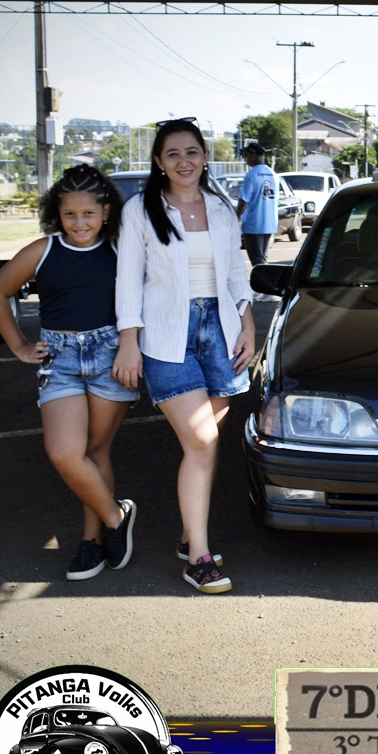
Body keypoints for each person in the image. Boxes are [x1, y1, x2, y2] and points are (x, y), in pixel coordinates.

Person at [113, 118, 254, 594]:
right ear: (158, 161)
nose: (183, 161)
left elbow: (236, 273)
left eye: (191, 151)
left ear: (205, 156)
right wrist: (129, 340)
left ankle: (189, 535)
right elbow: (127, 279)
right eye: (172, 153)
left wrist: (248, 326)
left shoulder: (220, 207)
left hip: (221, 331)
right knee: (201, 441)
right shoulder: (140, 209)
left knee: (204, 445)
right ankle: (199, 559)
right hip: (166, 336)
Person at [0, 165, 139, 581]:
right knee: (64, 452)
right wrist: (19, 346)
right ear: (57, 214)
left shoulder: (121, 249)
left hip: (110, 356)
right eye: (69, 214)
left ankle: (91, 542)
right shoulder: (43, 250)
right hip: (61, 359)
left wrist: (133, 347)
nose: (79, 223)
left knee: (95, 451)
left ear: (106, 212)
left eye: (88, 214)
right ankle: (116, 516)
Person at [235, 141, 277, 266]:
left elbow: (243, 201)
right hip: (269, 225)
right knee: (263, 260)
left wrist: (235, 218)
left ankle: (261, 280)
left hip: (253, 225)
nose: (244, 158)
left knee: (257, 263)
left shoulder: (251, 175)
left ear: (253, 155)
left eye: (246, 155)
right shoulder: (273, 174)